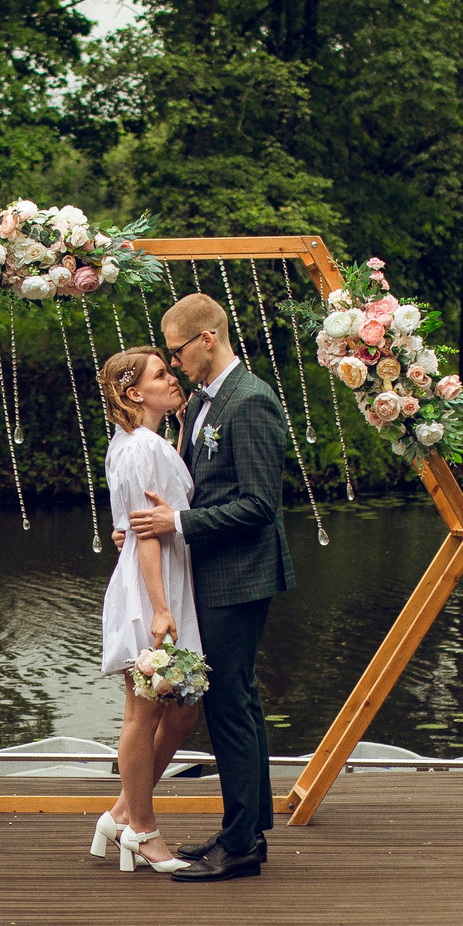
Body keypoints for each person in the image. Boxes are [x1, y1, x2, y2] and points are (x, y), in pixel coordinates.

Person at [125, 292, 294, 882]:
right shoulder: (202, 402)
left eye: (176, 353)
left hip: (241, 575)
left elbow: (259, 505)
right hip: (213, 572)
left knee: (231, 704)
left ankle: (243, 844)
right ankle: (243, 832)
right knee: (233, 703)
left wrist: (178, 523)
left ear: (206, 340)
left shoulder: (250, 403)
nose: (172, 367)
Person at [89, 347, 202, 873]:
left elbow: (152, 504)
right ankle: (143, 830)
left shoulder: (137, 444)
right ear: (135, 393)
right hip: (152, 587)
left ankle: (119, 813)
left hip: (163, 578)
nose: (173, 377)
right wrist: (160, 609)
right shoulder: (141, 448)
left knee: (183, 710)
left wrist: (178, 430)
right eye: (162, 374)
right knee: (145, 711)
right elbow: (145, 531)